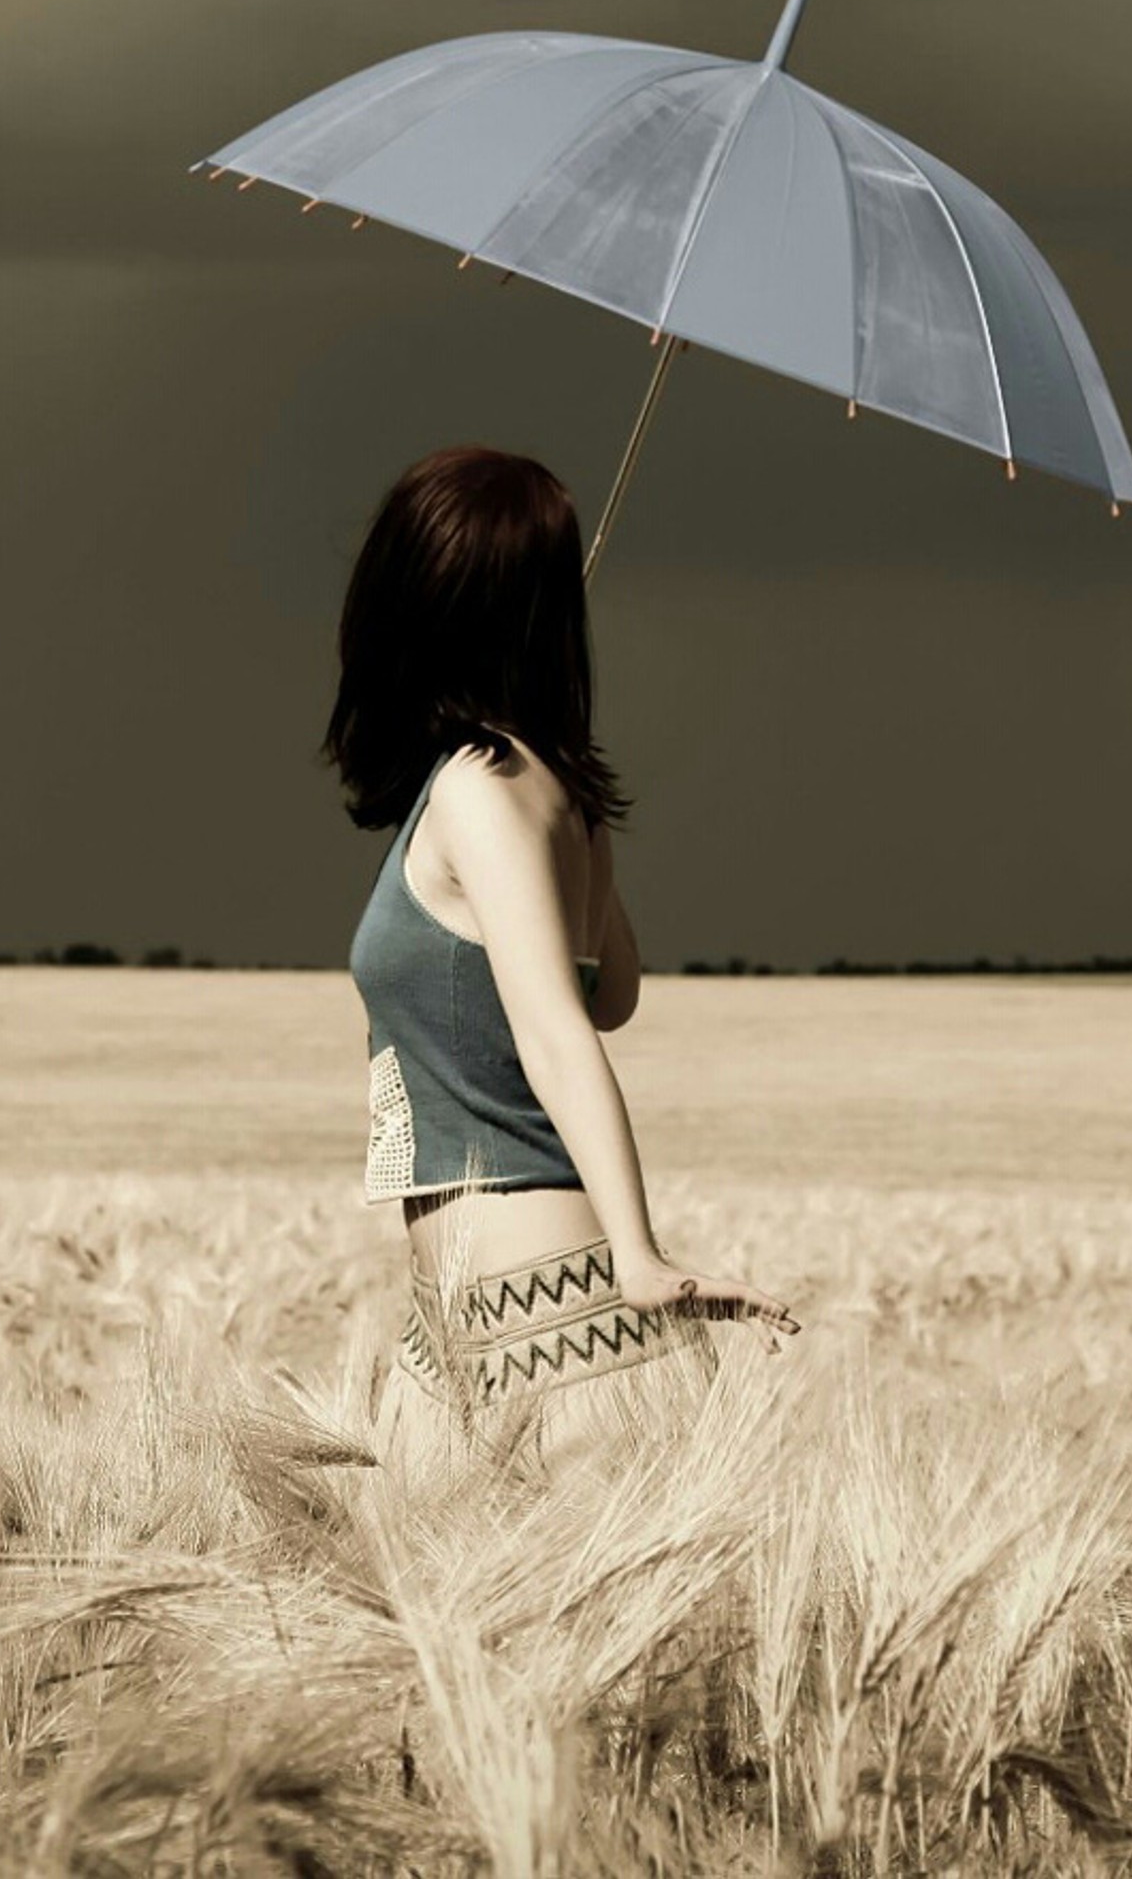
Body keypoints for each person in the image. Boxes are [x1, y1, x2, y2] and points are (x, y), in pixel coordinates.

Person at [320, 444, 800, 1497]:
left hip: (532, 1293)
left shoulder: (476, 788)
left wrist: (637, 1256)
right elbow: (613, 988)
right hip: (471, 1307)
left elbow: (559, 1029)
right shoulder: (552, 785)